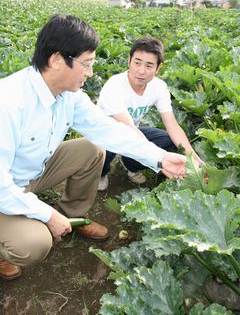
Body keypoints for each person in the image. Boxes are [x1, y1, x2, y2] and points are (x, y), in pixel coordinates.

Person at [0, 15, 187, 281]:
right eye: (86, 64)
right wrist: (46, 214)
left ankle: (73, 218)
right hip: (3, 186)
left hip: (30, 171)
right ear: (55, 60)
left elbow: (108, 129)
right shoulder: (8, 102)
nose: (90, 73)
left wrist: (160, 158)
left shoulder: (70, 95)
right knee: (34, 244)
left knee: (92, 149)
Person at [97, 36, 203, 190]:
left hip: (133, 133)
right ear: (129, 61)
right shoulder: (114, 85)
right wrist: (159, 160)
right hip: (105, 134)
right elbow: (127, 127)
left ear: (158, 67)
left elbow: (172, 124)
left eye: (149, 65)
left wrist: (193, 157)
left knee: (169, 140)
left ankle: (130, 164)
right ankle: (102, 172)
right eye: (137, 63)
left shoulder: (159, 87)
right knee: (104, 149)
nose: (141, 71)